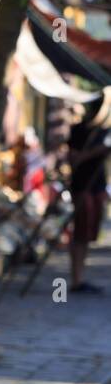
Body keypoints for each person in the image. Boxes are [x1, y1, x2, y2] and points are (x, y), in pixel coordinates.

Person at [68, 89, 111, 294]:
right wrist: (96, 151)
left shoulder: (105, 132)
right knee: (80, 233)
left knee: (89, 235)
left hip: (97, 186)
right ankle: (76, 279)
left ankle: (80, 278)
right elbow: (74, 160)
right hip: (82, 186)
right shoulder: (79, 130)